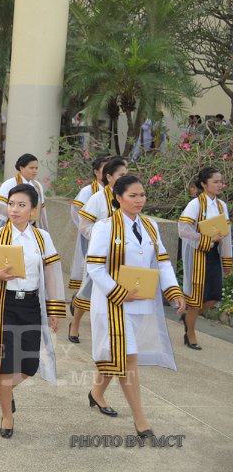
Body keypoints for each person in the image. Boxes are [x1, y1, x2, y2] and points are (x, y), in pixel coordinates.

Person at [86, 175, 186, 439]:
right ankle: (141, 420)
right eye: (133, 195)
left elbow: (163, 262)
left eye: (142, 195)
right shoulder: (105, 227)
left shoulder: (151, 226)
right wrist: (118, 291)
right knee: (128, 358)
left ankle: (96, 393)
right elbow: (94, 267)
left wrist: (172, 290)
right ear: (118, 198)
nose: (140, 200)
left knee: (116, 353)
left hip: (139, 303)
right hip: (112, 304)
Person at [0, 183, 65, 438]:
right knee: (5, 364)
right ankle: (7, 415)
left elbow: (51, 273)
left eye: (22, 205)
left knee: (29, 365)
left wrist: (54, 310)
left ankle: (5, 392)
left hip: (32, 306)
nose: (14, 209)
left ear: (33, 210)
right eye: (11, 204)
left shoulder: (42, 238)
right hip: (5, 306)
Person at [70, 156, 127, 341]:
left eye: (127, 174)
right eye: (121, 174)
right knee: (88, 289)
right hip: (100, 256)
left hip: (122, 257)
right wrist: (103, 235)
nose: (125, 178)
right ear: (109, 176)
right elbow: (84, 225)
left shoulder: (127, 198)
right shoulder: (97, 198)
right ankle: (75, 324)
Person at [178, 167, 232, 350]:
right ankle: (190, 334)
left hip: (214, 255)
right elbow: (183, 230)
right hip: (197, 255)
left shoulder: (221, 205)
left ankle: (188, 318)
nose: (219, 185)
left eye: (220, 181)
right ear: (203, 184)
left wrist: (227, 260)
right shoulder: (195, 205)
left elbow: (226, 234)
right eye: (215, 182)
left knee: (215, 296)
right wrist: (206, 239)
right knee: (196, 299)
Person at [0, 154, 48, 230]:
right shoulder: (10, 183)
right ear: (21, 168)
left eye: (36, 168)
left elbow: (41, 210)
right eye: (31, 168)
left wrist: (45, 231)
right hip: (11, 226)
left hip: (32, 227)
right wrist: (19, 217)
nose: (35, 171)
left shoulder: (37, 186)